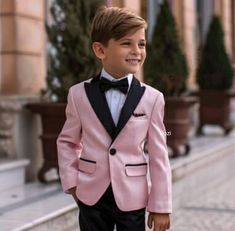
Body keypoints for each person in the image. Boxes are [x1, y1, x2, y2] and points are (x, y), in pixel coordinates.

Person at [57, 6, 172, 231]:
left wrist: (161, 205)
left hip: (133, 195)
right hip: (91, 195)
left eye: (141, 44)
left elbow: (159, 155)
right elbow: (67, 142)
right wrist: (72, 183)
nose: (136, 51)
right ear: (100, 50)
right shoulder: (78, 94)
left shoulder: (153, 98)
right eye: (126, 43)